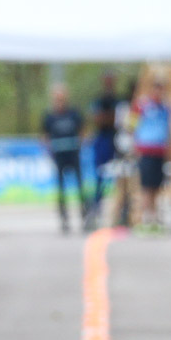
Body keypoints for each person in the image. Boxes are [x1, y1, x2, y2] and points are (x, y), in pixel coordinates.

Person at [41, 85, 85, 233]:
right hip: (59, 155)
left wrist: (80, 144)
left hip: (73, 153)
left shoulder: (73, 114)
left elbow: (82, 131)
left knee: (79, 186)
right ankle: (64, 217)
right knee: (61, 188)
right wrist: (49, 151)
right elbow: (45, 135)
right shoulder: (50, 116)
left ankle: (84, 214)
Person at [130, 75, 171, 228]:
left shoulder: (166, 108)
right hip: (146, 150)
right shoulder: (142, 106)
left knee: (156, 186)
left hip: (160, 151)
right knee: (146, 186)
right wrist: (134, 145)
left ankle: (154, 216)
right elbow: (131, 125)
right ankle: (146, 218)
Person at [87, 73, 120, 218]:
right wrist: (111, 118)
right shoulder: (99, 100)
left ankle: (120, 208)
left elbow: (119, 119)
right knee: (100, 174)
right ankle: (97, 206)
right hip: (102, 139)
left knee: (121, 175)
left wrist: (110, 118)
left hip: (116, 139)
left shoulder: (118, 100)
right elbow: (98, 119)